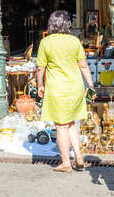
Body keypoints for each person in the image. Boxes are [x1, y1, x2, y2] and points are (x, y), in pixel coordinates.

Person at [36, 10, 95, 173]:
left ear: (51, 24)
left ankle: (65, 163)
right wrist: (90, 86)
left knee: (61, 126)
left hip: (57, 89)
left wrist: (40, 85)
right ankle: (79, 157)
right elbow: (84, 65)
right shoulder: (74, 41)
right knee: (71, 124)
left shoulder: (46, 42)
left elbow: (40, 68)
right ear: (67, 24)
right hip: (76, 88)